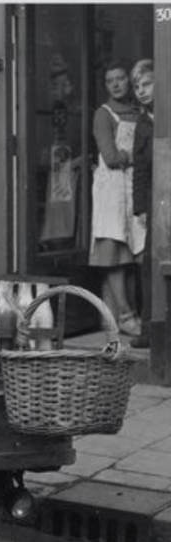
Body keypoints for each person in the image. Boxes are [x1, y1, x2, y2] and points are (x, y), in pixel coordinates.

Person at [89, 59, 144, 336]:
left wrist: (130, 159)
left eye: (120, 78)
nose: (116, 84)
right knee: (113, 252)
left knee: (133, 255)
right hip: (111, 190)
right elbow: (111, 158)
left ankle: (128, 314)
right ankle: (124, 314)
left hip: (133, 186)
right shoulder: (103, 114)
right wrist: (137, 156)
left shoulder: (138, 111)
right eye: (110, 81)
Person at [129, 59, 154, 349]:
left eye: (146, 84)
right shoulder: (142, 123)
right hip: (155, 201)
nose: (140, 91)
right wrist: (141, 208)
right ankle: (149, 331)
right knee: (149, 266)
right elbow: (140, 168)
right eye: (137, 87)